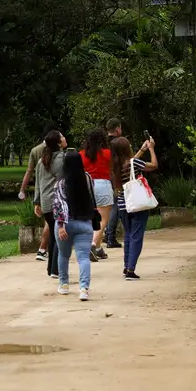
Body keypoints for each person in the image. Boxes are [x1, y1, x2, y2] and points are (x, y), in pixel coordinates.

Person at [110, 136, 158, 280]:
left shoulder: (114, 166)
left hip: (123, 205)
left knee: (128, 235)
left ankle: (126, 265)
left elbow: (130, 163)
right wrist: (151, 149)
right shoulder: (133, 163)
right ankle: (131, 269)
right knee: (136, 236)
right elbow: (153, 165)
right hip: (137, 204)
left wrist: (141, 150)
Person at [52, 150, 96, 301]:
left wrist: (61, 225)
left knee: (63, 255)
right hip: (85, 223)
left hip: (66, 224)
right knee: (83, 258)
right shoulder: (88, 178)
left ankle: (64, 284)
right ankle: (83, 289)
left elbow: (59, 204)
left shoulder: (60, 183)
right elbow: (92, 197)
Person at [19, 124, 59, 262]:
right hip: (53, 190)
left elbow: (29, 171)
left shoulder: (35, 150)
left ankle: (46, 249)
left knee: (48, 221)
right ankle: (43, 249)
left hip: (41, 188)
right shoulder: (57, 151)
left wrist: (22, 189)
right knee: (50, 222)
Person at [33, 130, 67, 279]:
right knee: (59, 235)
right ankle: (55, 269)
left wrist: (37, 202)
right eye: (62, 137)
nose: (64, 138)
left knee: (54, 235)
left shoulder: (41, 161)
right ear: (58, 142)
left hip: (45, 202)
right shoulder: (62, 158)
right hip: (58, 201)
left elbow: (38, 183)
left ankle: (51, 268)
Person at [79, 128, 113, 261]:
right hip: (103, 185)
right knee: (102, 220)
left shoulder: (81, 154)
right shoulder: (107, 153)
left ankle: (98, 248)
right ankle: (92, 245)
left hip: (87, 186)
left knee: (91, 219)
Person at [103, 118, 124, 249]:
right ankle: (110, 236)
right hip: (114, 176)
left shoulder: (103, 142)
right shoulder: (118, 143)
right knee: (115, 205)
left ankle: (106, 234)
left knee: (107, 207)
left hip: (103, 176)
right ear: (117, 129)